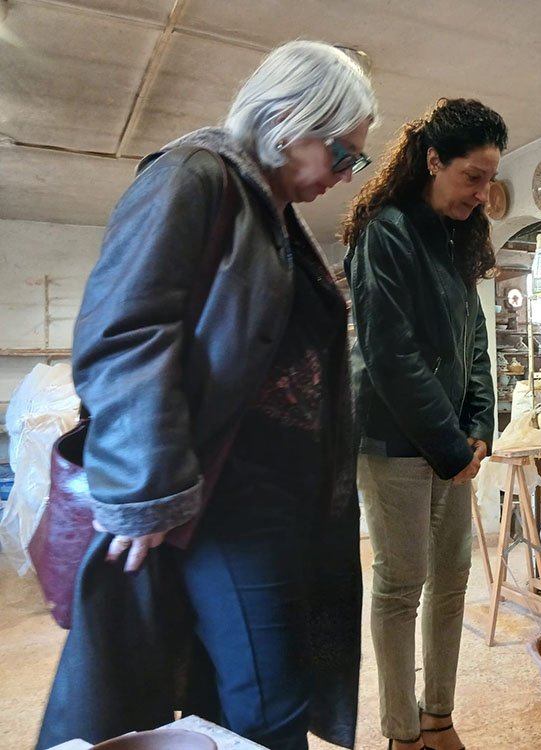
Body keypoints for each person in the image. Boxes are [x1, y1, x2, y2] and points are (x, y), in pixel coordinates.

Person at [36, 41, 377, 750]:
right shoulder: (195, 176)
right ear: (289, 119)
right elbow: (125, 333)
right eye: (343, 156)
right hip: (227, 501)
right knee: (271, 700)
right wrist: (147, 487)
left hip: (269, 501)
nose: (346, 178)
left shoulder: (273, 214)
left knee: (237, 693)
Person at [342, 98, 507, 750]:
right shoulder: (385, 231)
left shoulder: (459, 236)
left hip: (451, 445)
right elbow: (391, 353)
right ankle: (401, 733)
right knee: (401, 584)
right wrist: (449, 444)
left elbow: (474, 340)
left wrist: (480, 426)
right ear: (433, 161)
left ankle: (439, 718)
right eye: (471, 176)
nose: (482, 192)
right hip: (394, 439)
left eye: (490, 178)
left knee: (452, 581)